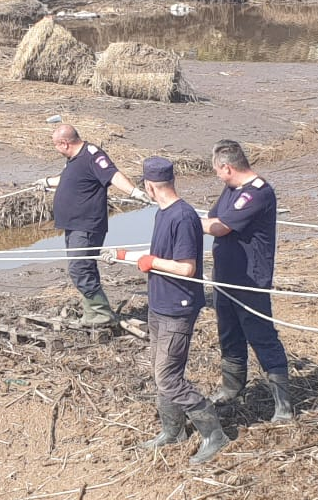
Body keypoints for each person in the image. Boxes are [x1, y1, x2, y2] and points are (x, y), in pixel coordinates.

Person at [110, 158, 235, 463]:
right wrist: (126, 255)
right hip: (159, 304)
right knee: (160, 371)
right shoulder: (162, 213)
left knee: (168, 377)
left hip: (177, 309)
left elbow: (186, 268)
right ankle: (173, 430)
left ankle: (215, 434)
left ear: (150, 186)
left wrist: (150, 261)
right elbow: (162, 255)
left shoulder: (183, 217)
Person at [200, 140, 294, 424]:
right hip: (225, 276)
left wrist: (183, 221)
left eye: (218, 170)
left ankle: (283, 405)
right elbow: (213, 216)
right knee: (229, 333)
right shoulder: (231, 189)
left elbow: (219, 226)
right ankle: (232, 388)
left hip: (249, 279)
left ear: (228, 168)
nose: (217, 175)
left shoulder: (257, 193)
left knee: (261, 336)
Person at [45, 125, 145, 327]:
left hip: (87, 226)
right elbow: (70, 179)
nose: (55, 149)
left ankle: (101, 314)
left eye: (55, 145)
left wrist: (134, 192)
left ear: (64, 143)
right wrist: (46, 182)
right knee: (84, 268)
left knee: (79, 269)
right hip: (74, 225)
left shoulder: (92, 155)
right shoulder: (74, 159)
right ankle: (91, 313)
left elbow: (113, 175)